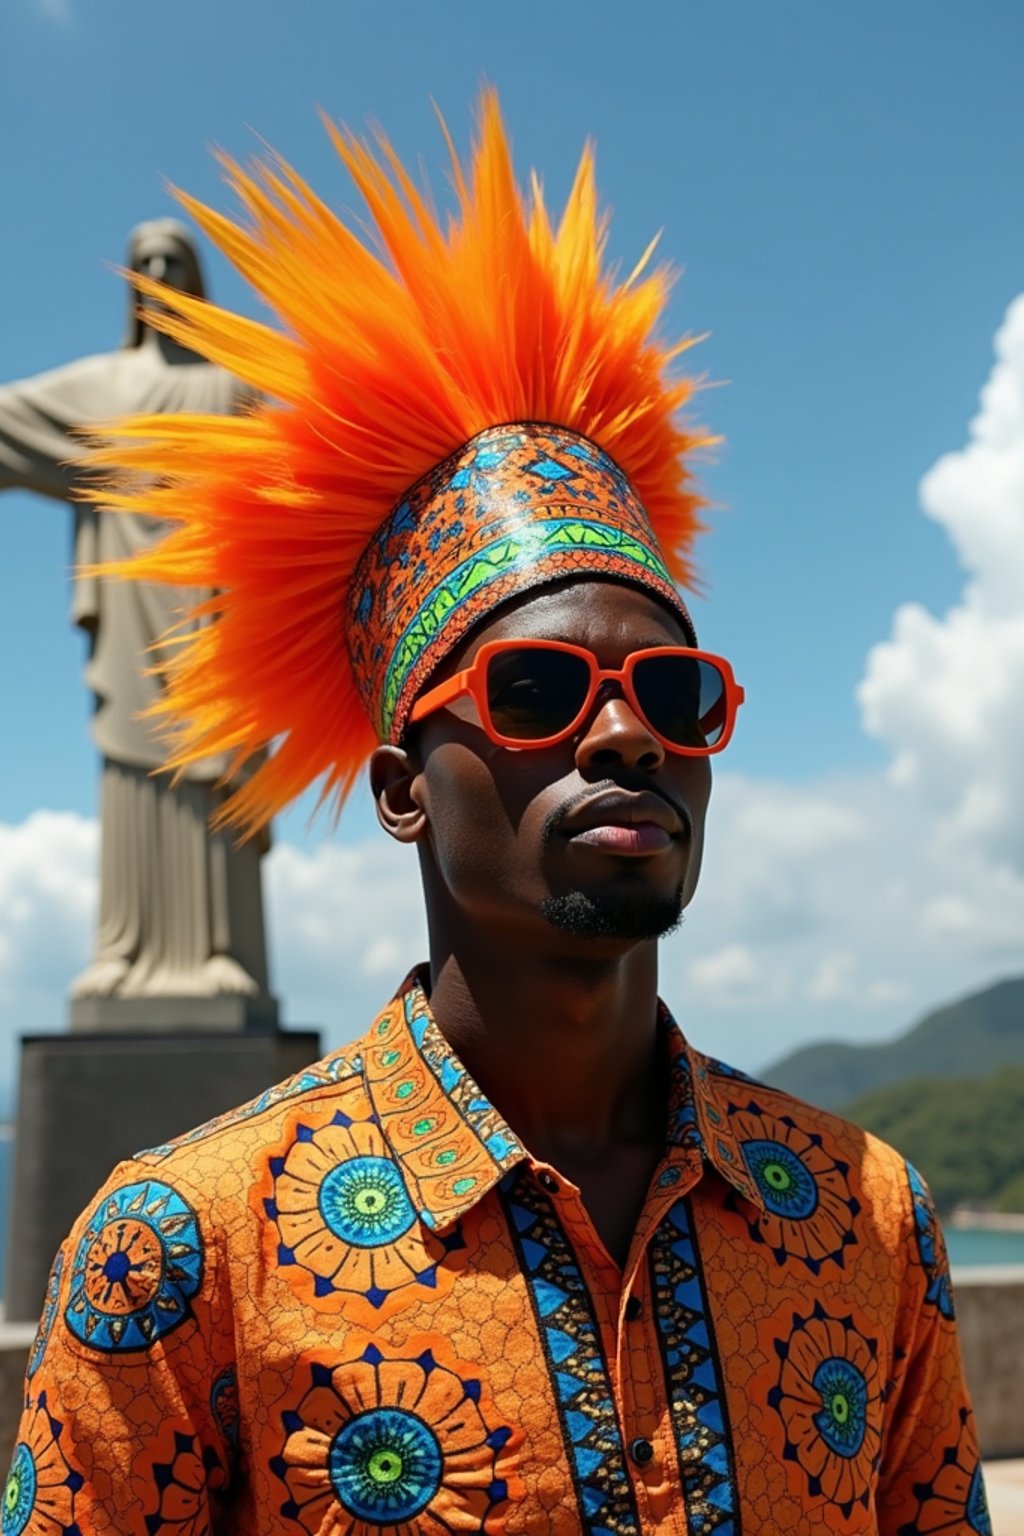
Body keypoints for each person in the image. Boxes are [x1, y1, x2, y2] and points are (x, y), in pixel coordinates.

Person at [6, 95, 989, 1535]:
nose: (623, 731)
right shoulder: (183, 1257)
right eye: (536, 686)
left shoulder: (867, 1217)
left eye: (674, 689)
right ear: (406, 789)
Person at [0, 220, 274, 1017]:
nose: (158, 274)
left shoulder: (234, 384)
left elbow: (296, 474)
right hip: (131, 606)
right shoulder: (102, 386)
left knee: (214, 765)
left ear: (195, 280)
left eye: (174, 263)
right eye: (144, 264)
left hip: (214, 610)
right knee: (131, 764)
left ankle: (223, 951)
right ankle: (125, 951)